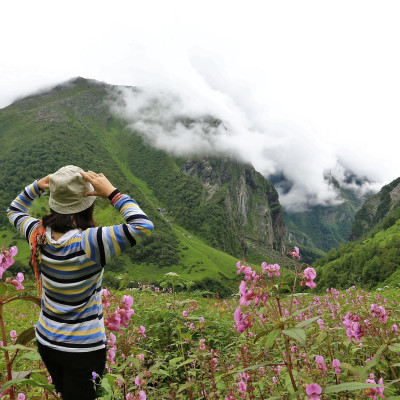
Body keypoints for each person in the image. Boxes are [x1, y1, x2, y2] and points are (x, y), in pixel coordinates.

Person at [7, 165, 154, 400]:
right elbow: (142, 225)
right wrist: (112, 193)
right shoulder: (92, 242)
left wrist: (36, 186)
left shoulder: (36, 233)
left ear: (54, 202)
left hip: (46, 340)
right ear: (87, 203)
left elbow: (14, 210)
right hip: (83, 348)